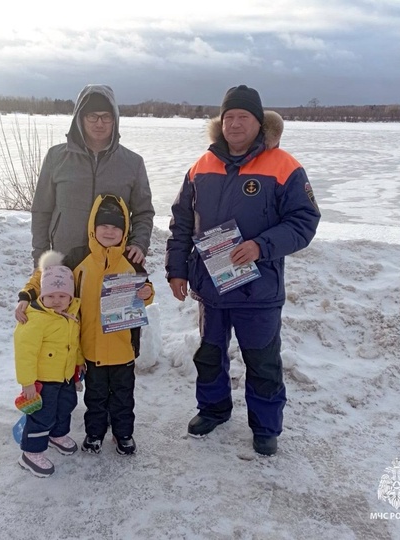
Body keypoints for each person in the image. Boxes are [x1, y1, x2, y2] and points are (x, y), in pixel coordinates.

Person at [165, 85, 321, 456]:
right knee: (209, 354)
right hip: (211, 288)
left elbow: (304, 220)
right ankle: (214, 409)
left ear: (258, 122)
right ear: (220, 122)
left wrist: (260, 246)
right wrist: (177, 269)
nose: (234, 124)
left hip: (258, 290)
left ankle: (266, 426)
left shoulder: (284, 166)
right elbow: (182, 221)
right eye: (229, 117)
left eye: (243, 117)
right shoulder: (201, 166)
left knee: (262, 360)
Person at [16, 194, 154, 456]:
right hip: (89, 348)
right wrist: (26, 295)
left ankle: (124, 435)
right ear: (93, 227)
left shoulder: (131, 260)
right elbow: (45, 276)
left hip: (124, 347)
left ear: (124, 230)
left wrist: (147, 294)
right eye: (104, 225)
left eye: (116, 226)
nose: (110, 231)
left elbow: (145, 291)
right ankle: (95, 434)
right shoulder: (78, 258)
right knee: (96, 397)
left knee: (124, 398)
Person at [30, 84, 154, 267]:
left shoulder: (133, 163)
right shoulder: (56, 157)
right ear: (80, 118)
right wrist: (40, 257)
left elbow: (143, 212)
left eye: (106, 117)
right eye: (92, 116)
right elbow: (41, 210)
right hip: (63, 260)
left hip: (112, 263)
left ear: (115, 120)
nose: (99, 123)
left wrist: (139, 244)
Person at [14, 251, 84, 478]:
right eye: (50, 296)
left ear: (71, 297)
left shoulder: (71, 316)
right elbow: (25, 353)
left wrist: (79, 365)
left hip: (64, 377)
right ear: (42, 296)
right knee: (42, 414)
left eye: (62, 296)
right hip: (42, 381)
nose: (56, 301)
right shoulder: (35, 319)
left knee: (66, 406)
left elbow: (74, 345)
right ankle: (31, 452)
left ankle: (57, 435)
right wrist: (27, 383)